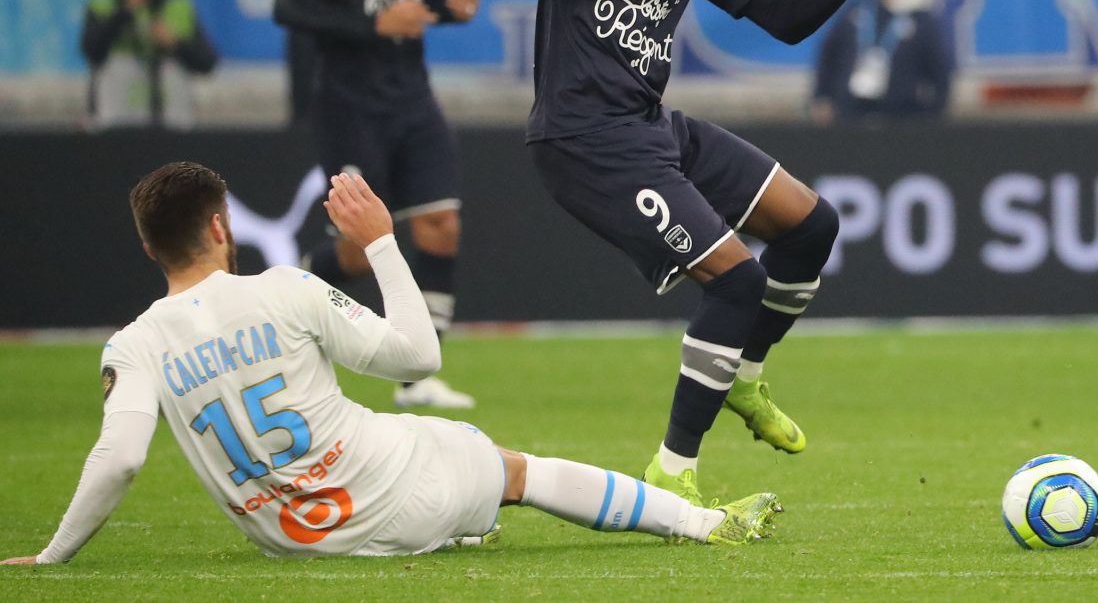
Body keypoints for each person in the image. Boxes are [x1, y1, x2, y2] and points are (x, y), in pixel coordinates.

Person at [480, 0, 918, 504]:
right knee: (738, 280)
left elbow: (786, 19)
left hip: (651, 126)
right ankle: (673, 471)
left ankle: (743, 376)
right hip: (584, 137)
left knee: (812, 224)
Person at [0, 163, 781, 566]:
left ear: (148, 246)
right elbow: (419, 354)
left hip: (295, 538)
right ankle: (706, 522)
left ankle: (453, 533)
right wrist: (379, 240)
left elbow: (120, 456)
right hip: (400, 489)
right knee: (517, 470)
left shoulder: (133, 344)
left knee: (434, 466)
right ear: (219, 226)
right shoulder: (284, 289)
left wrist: (54, 554)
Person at [274, 0, 479, 410]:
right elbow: (289, 4)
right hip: (349, 100)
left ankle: (418, 378)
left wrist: (450, 12)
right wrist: (373, 25)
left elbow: (422, 4)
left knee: (441, 225)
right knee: (360, 251)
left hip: (412, 94)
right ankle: (290, 287)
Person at [81, 0, 218, 130]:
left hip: (173, 124)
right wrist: (125, 12)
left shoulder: (178, 6)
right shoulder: (102, 5)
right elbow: (91, 50)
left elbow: (207, 63)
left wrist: (174, 43)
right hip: (115, 124)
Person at [811, 0, 951, 125]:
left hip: (900, 123)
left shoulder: (923, 19)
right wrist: (821, 97)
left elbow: (941, 74)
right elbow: (829, 53)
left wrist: (929, 118)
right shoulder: (859, 9)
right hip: (848, 118)